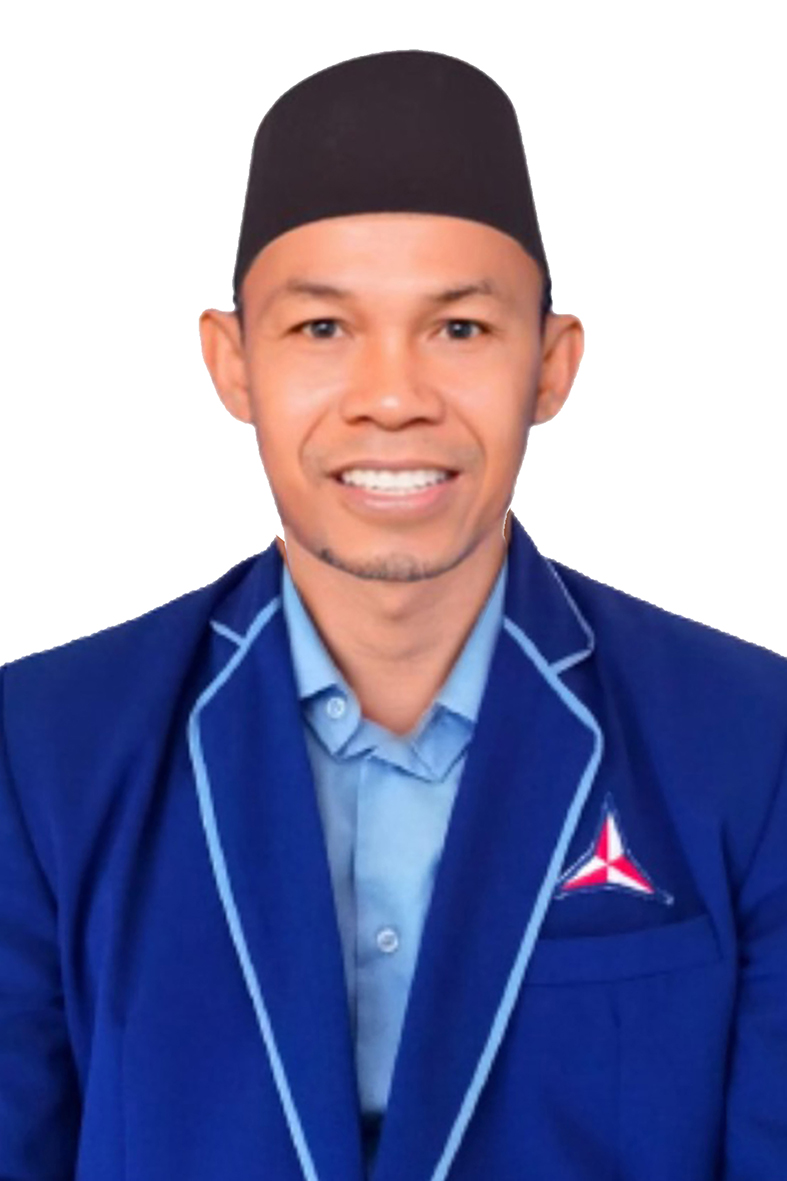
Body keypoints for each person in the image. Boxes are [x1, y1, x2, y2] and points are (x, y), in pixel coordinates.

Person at [1, 48, 785, 1181]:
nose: (392, 398)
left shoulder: (748, 743)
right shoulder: (44, 750)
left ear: (550, 365)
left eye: (459, 329)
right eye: (322, 329)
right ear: (231, 363)